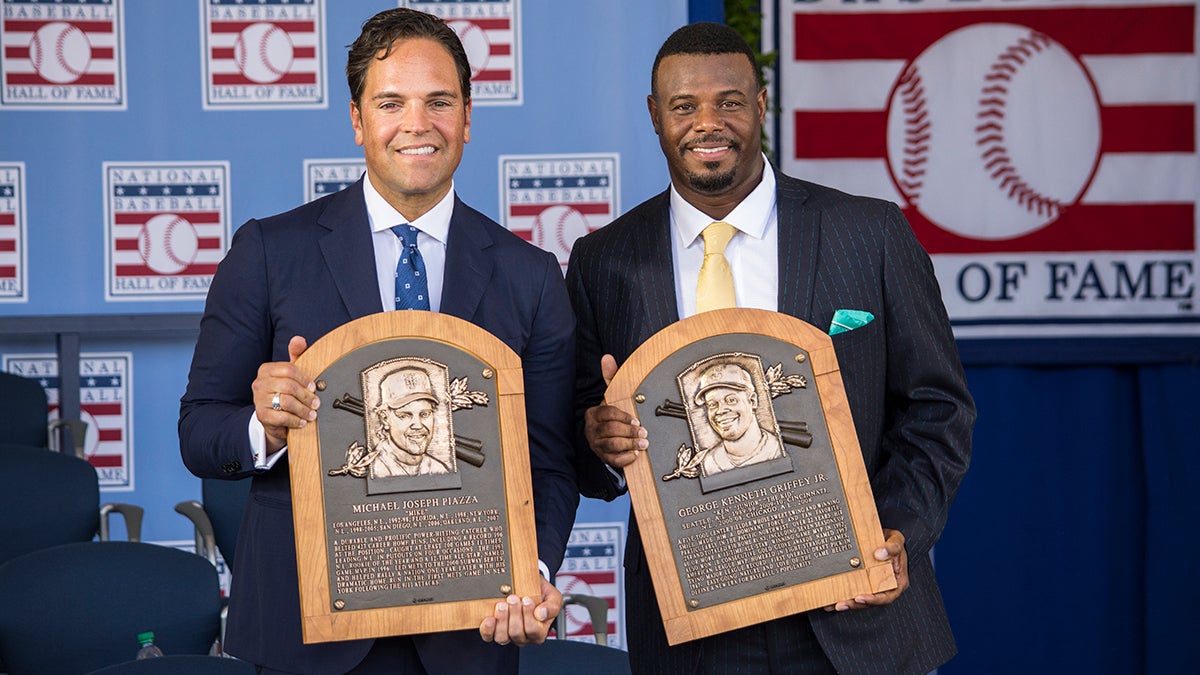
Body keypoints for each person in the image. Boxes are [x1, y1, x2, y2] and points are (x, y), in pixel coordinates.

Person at [566, 21, 976, 674]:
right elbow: (584, 438)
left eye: (729, 101)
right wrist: (598, 438)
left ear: (760, 105)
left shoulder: (869, 233)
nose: (708, 123)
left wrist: (896, 530)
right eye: (684, 105)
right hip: (691, 627)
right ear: (654, 115)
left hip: (854, 611)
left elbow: (938, 407)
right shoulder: (602, 261)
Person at [179, 8, 578, 674]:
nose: (417, 124)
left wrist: (530, 572)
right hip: (304, 635)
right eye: (391, 103)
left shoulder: (530, 275)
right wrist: (264, 427)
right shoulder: (270, 251)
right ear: (358, 120)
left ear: (468, 118)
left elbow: (550, 464)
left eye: (439, 102)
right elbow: (198, 431)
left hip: (468, 633)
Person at [691, 361, 784, 476]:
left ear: (752, 401)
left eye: (731, 400)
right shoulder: (708, 464)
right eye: (712, 404)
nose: (720, 410)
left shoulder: (778, 449)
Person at [371, 366, 452, 478]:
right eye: (404, 416)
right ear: (384, 419)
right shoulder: (375, 469)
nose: (418, 425)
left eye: (424, 414)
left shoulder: (438, 468)